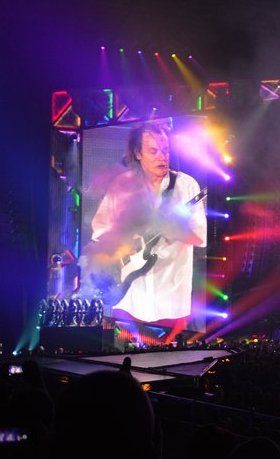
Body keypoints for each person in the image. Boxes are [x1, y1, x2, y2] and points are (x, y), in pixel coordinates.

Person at [88, 121, 206, 328]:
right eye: (153, 151)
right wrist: (125, 241)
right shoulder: (122, 185)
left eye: (165, 150)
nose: (162, 156)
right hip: (129, 298)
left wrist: (178, 231)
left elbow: (201, 237)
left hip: (172, 299)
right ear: (138, 153)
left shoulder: (186, 186)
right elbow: (100, 230)